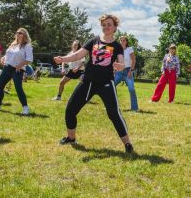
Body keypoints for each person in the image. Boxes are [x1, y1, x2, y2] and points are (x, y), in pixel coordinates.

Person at [53, 14, 133, 153]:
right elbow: (78, 54)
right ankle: (71, 138)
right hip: (88, 81)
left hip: (106, 83)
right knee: (70, 110)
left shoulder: (117, 46)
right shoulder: (93, 41)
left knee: (114, 114)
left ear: (115, 27)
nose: (106, 27)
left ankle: (127, 144)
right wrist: (63, 59)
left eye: (109, 24)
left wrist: (120, 66)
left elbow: (121, 62)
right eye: (104, 24)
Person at [0, 28, 33, 115]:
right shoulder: (13, 44)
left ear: (24, 35)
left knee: (18, 89)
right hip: (7, 68)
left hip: (18, 69)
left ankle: (25, 108)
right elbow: (7, 54)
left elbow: (29, 59)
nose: (18, 34)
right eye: (17, 33)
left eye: (20, 33)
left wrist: (20, 65)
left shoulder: (27, 46)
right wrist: (3, 59)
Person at [114, 36, 139, 111]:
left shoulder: (129, 49)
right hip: (119, 71)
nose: (122, 41)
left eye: (124, 40)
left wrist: (131, 71)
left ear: (126, 41)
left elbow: (133, 60)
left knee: (131, 89)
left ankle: (135, 108)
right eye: (121, 40)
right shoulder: (117, 50)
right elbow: (115, 60)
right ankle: (112, 106)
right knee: (112, 87)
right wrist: (115, 70)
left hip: (128, 71)